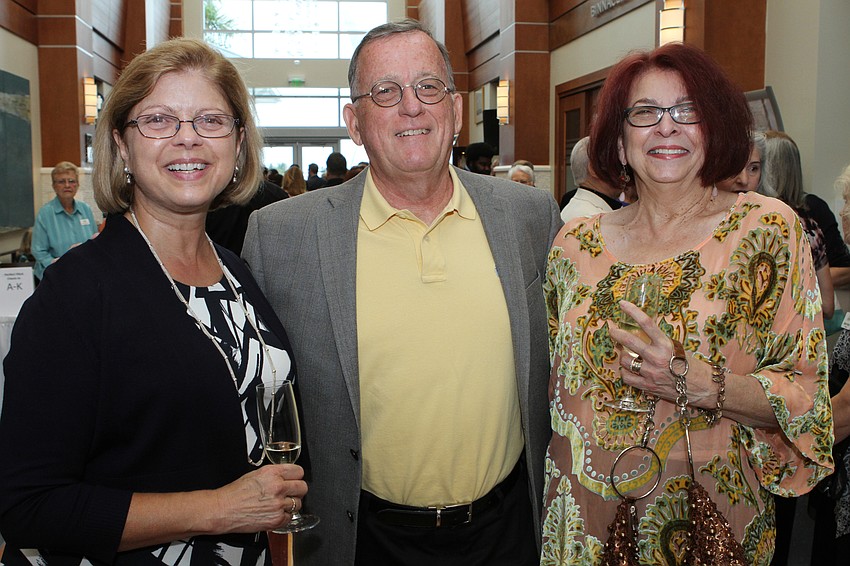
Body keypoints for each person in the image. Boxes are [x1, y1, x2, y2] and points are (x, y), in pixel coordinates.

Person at [242, 19, 562, 566]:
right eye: (385, 92)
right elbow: (251, 395)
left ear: (455, 110)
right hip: (363, 539)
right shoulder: (282, 237)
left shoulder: (530, 217)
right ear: (355, 123)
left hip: (508, 531)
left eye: (428, 87)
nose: (411, 107)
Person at [0, 38, 307, 565]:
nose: (187, 139)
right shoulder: (75, 294)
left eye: (210, 120)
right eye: (160, 120)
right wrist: (218, 509)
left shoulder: (235, 273)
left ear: (237, 144)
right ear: (122, 145)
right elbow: (28, 505)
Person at [542, 42, 833, 565]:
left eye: (687, 111)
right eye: (645, 112)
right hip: (582, 520)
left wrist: (697, 382)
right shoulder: (573, 244)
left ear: (715, 127)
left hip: (708, 522)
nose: (666, 127)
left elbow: (805, 399)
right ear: (619, 140)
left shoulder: (764, 229)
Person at [31, 161, 98, 280]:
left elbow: (94, 242)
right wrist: (59, 266)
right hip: (55, 276)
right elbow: (39, 251)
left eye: (71, 181)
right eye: (61, 181)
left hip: (84, 274)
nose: (67, 185)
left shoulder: (85, 209)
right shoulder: (45, 214)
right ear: (54, 186)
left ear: (77, 185)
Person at [560, 136, 626, 221]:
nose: (623, 170)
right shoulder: (590, 218)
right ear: (594, 169)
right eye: (615, 163)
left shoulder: (580, 208)